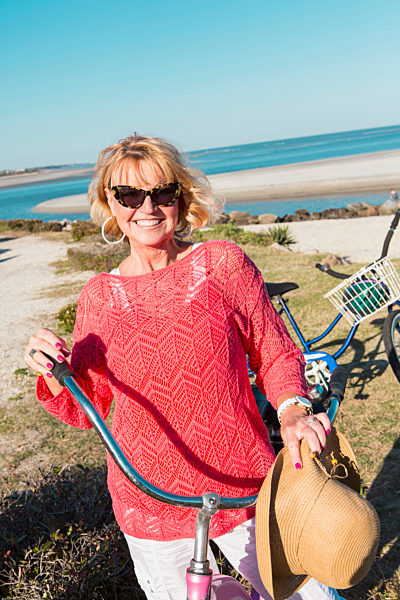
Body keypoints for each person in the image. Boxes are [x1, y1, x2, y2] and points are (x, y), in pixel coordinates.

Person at [25, 134, 342, 600]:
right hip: (148, 504)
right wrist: (53, 370)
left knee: (304, 595)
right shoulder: (99, 297)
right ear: (110, 205)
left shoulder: (222, 264)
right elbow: (84, 407)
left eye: (162, 193)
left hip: (246, 488)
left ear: (181, 198)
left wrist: (293, 409)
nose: (147, 207)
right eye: (130, 194)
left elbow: (275, 352)